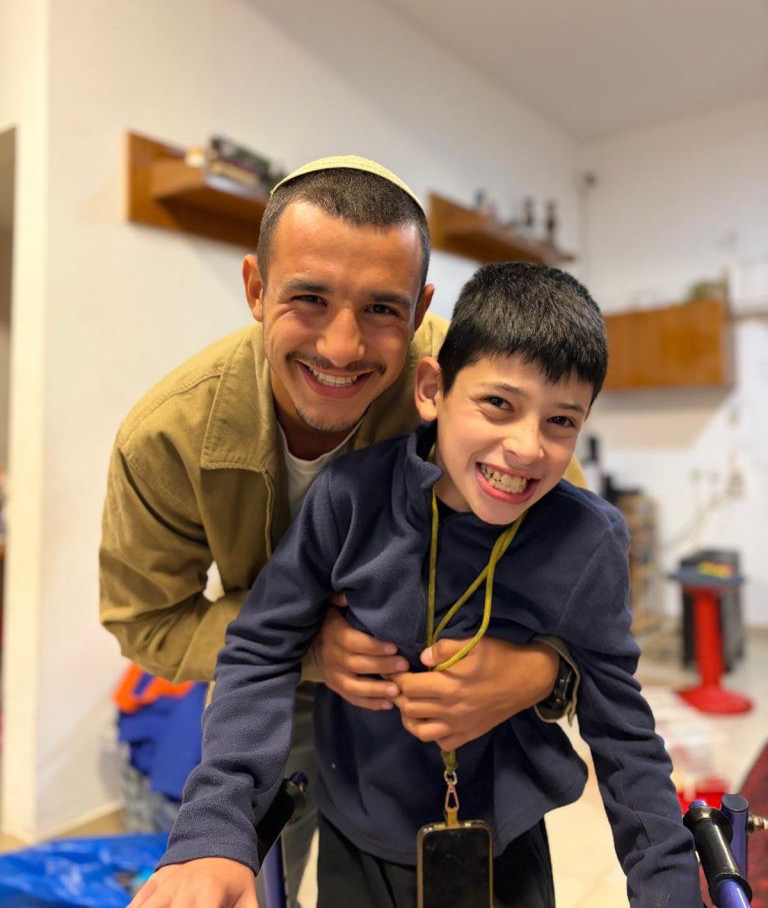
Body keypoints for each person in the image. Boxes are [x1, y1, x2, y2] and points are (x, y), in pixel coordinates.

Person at [128, 262, 702, 908]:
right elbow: (259, 649)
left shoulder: (586, 538)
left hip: (505, 845)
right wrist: (214, 826)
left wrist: (670, 887)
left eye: (561, 422)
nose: (526, 447)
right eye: (499, 404)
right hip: (355, 836)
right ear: (432, 390)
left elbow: (623, 729)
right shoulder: (348, 500)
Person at [99, 157, 582, 905]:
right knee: (262, 874)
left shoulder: (476, 385)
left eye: (383, 309)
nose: (342, 347)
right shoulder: (167, 438)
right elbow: (146, 620)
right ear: (256, 288)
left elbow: (585, 567)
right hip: (274, 685)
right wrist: (308, 649)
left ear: (420, 310)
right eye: (310, 298)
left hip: (441, 689)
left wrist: (540, 672)